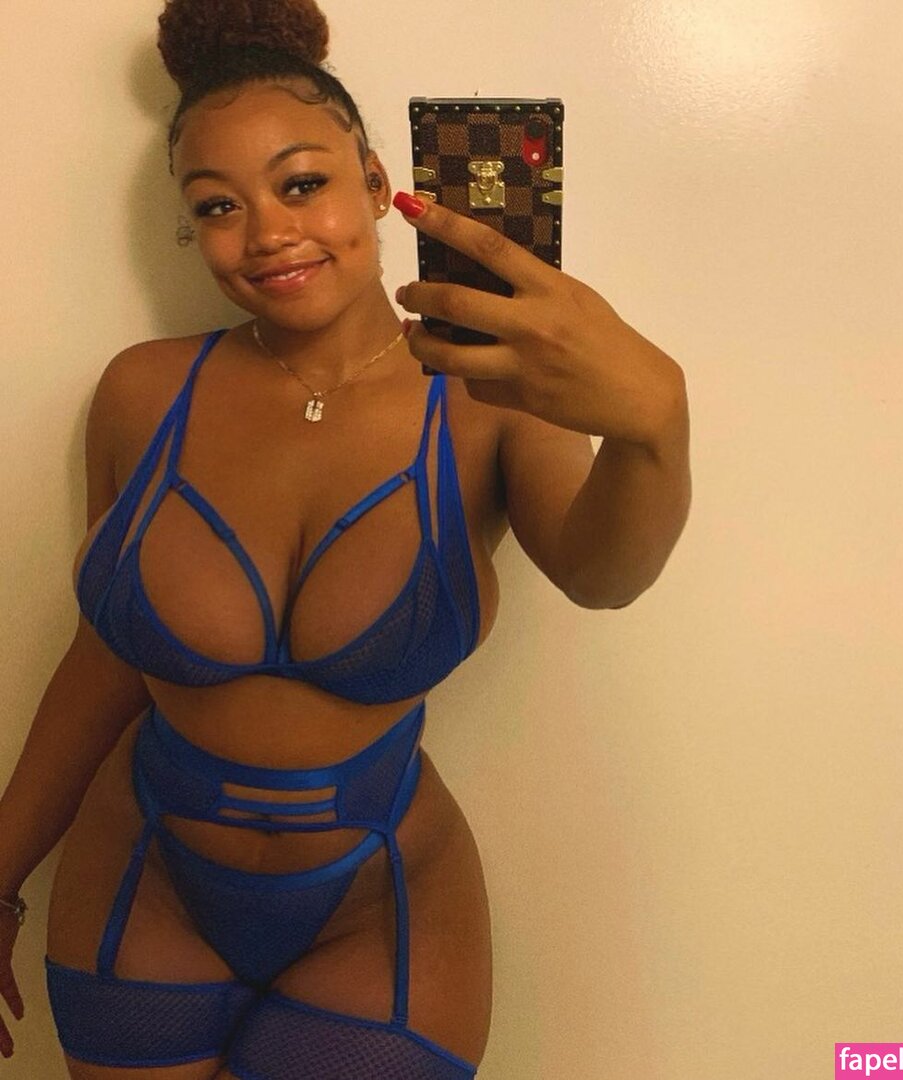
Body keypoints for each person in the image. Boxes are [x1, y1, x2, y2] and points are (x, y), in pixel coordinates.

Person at [0, 0, 690, 1075]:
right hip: (142, 878)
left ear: (375, 183)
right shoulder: (143, 392)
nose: (267, 232)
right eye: (217, 204)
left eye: (301, 184)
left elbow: (604, 575)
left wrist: (654, 428)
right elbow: (108, 658)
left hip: (377, 904)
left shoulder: (490, 394)